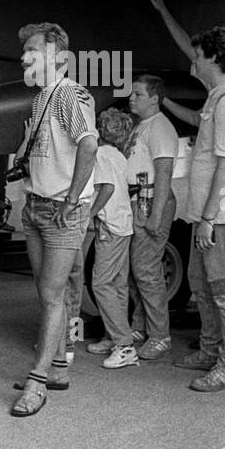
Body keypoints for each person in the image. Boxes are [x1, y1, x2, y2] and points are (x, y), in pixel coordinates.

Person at [9, 21, 98, 417]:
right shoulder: (43, 96)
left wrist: (72, 198)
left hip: (61, 209)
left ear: (58, 57)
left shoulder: (67, 94)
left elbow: (89, 145)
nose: (24, 57)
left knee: (50, 296)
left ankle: (38, 381)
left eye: (32, 50)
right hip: (37, 205)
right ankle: (57, 366)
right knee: (50, 295)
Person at [170, 26, 225, 392]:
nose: (193, 61)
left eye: (197, 55)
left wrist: (208, 219)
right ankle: (210, 350)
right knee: (201, 284)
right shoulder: (218, 96)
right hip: (207, 215)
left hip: (223, 216)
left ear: (213, 58)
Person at [81, 108, 139, 369]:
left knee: (101, 284)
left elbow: (107, 188)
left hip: (110, 226)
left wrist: (90, 214)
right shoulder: (118, 154)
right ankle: (112, 336)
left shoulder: (102, 154)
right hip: (123, 224)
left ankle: (124, 345)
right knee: (117, 285)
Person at [125, 74, 177, 361]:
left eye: (138, 94)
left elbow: (164, 172)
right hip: (139, 201)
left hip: (150, 202)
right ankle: (140, 326)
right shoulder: (142, 125)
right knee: (137, 271)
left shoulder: (160, 127)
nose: (131, 98)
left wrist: (156, 215)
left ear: (155, 98)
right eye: (132, 94)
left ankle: (160, 336)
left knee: (146, 271)